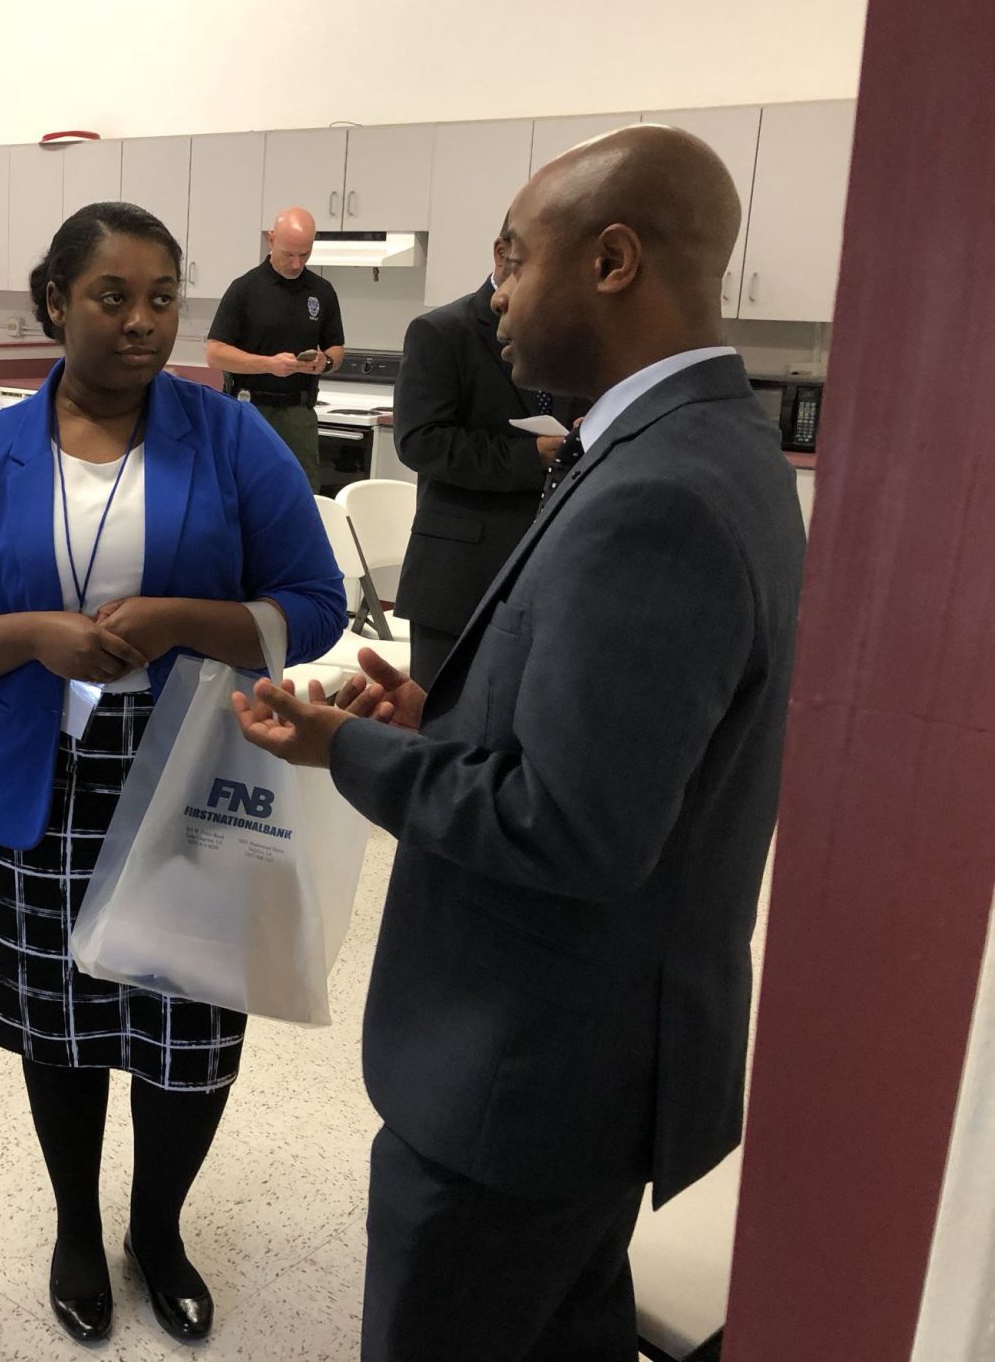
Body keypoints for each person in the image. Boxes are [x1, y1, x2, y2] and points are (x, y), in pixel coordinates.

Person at [231, 126, 806, 1361]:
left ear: (610, 260)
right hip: (589, 1062)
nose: (494, 299)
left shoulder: (658, 492)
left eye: (511, 262)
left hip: (525, 1075)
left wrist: (347, 752)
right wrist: (446, 720)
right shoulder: (712, 444)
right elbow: (631, 751)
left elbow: (571, 826)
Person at [0, 202, 345, 1345]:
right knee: (62, 1026)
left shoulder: (230, 438)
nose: (143, 323)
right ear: (54, 300)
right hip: (34, 782)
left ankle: (159, 1228)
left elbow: (314, 607)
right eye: (112, 297)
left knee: (189, 1033)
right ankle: (75, 1227)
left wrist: (181, 620)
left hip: (196, 777)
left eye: (162, 299)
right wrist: (36, 637)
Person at [391, 232, 569, 686]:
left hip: (549, 572)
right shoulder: (441, 331)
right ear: (500, 252)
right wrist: (532, 456)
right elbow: (420, 442)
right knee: (441, 733)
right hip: (457, 576)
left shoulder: (568, 335)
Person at [204, 207, 345, 488]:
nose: (296, 264)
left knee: (302, 492)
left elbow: (337, 348)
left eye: (304, 254)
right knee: (245, 489)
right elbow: (215, 352)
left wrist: (325, 362)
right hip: (250, 408)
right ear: (271, 241)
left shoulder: (321, 291)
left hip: (299, 414)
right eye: (289, 254)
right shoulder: (245, 289)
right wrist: (268, 364)